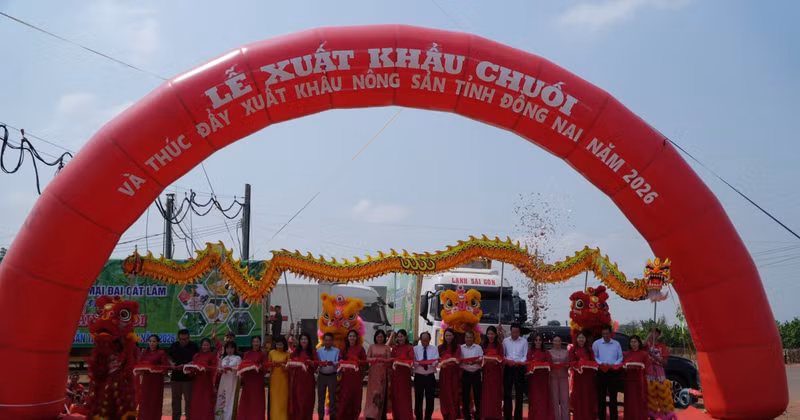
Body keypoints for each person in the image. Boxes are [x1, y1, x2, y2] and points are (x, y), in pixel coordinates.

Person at [168, 329, 199, 420]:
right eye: (181, 339)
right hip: (175, 378)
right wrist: (171, 364)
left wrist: (188, 365)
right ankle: (176, 418)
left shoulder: (194, 346)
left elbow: (197, 359)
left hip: (188, 379)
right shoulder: (174, 346)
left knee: (189, 401)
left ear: (189, 337)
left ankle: (189, 418)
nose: (184, 341)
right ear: (178, 338)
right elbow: (168, 357)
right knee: (175, 401)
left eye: (186, 339)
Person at [593, 325, 622, 420]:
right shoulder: (596, 343)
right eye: (603, 333)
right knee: (601, 398)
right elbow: (595, 357)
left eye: (607, 333)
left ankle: (614, 418)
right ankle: (602, 417)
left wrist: (613, 365)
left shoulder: (616, 344)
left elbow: (620, 357)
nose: (605, 335)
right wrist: (602, 363)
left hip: (613, 372)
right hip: (601, 372)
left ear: (611, 333)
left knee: (613, 397)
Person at [336, 329, 367, 420]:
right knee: (345, 398)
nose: (352, 338)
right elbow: (339, 362)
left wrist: (361, 373)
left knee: (356, 398)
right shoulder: (343, 349)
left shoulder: (360, 349)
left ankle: (354, 416)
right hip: (345, 378)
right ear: (347, 338)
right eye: (350, 336)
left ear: (357, 337)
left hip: (356, 378)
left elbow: (365, 363)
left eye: (353, 336)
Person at [139, 334, 169, 420]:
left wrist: (156, 369)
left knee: (154, 402)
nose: (152, 343)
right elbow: (140, 365)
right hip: (146, 381)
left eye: (154, 341)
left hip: (156, 382)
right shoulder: (144, 353)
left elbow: (165, 368)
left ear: (158, 343)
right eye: (150, 341)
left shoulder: (161, 353)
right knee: (144, 401)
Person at [645, 328, 674, 417]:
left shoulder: (662, 347)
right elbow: (641, 345)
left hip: (659, 371)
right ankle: (650, 414)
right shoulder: (647, 345)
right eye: (652, 333)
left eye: (656, 333)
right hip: (648, 371)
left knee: (662, 393)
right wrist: (649, 336)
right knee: (649, 393)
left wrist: (655, 356)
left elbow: (665, 362)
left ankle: (665, 414)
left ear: (659, 335)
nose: (653, 335)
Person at [289, 332, 318, 420]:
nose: (304, 341)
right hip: (297, 380)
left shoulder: (313, 352)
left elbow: (316, 365)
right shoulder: (295, 352)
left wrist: (311, 363)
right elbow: (290, 363)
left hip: (308, 380)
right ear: (299, 341)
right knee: (297, 401)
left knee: (307, 401)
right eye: (302, 339)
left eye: (305, 339)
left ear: (308, 341)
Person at [364, 329, 392, 420]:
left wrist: (383, 361)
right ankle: (370, 414)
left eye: (381, 336)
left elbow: (389, 360)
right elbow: (367, 358)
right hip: (373, 373)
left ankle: (380, 414)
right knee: (371, 394)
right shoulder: (371, 346)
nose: (379, 338)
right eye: (378, 336)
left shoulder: (387, 348)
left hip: (383, 373)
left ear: (384, 338)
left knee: (381, 393)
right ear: (375, 337)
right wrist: (376, 360)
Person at [237, 336, 266, 420]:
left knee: (257, 400)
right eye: (254, 341)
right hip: (248, 380)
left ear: (260, 343)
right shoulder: (247, 353)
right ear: (252, 343)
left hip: (257, 381)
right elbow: (243, 365)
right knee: (247, 400)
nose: (255, 343)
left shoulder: (263, 354)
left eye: (257, 342)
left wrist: (259, 366)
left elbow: (265, 367)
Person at [502, 323, 527, 420]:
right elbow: (503, 355)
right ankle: (507, 416)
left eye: (516, 332)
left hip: (519, 368)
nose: (515, 334)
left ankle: (518, 417)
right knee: (507, 393)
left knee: (519, 394)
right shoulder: (505, 341)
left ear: (519, 332)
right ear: (510, 331)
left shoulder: (524, 341)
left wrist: (519, 362)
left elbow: (525, 356)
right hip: (508, 368)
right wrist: (508, 362)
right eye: (513, 332)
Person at [570, 331, 597, 420]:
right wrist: (578, 364)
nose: (581, 339)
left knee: (588, 397)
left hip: (589, 377)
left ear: (586, 339)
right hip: (578, 377)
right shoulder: (572, 349)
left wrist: (586, 363)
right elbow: (571, 362)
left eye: (583, 338)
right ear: (576, 339)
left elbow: (594, 362)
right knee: (579, 397)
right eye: (579, 337)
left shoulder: (590, 350)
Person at [189, 338, 218, 420]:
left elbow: (214, 368)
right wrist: (190, 370)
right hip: (197, 382)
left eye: (207, 345)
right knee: (196, 402)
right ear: (201, 346)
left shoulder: (212, 355)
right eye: (204, 345)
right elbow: (193, 368)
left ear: (210, 346)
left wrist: (205, 368)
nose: (205, 347)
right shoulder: (196, 355)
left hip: (207, 383)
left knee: (206, 402)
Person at [389, 329, 414, 420]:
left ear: (405, 337)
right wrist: (392, 336)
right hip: (395, 376)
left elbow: (411, 360)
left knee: (404, 397)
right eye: (398, 337)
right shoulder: (394, 348)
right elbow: (391, 360)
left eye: (401, 336)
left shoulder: (409, 347)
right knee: (395, 397)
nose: (400, 338)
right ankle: (397, 416)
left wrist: (401, 361)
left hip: (405, 376)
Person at [526, 334, 553, 420]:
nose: (538, 342)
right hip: (534, 380)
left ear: (542, 341)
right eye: (536, 340)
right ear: (534, 341)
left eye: (539, 340)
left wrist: (540, 364)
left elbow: (549, 363)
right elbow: (528, 364)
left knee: (543, 399)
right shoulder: (530, 352)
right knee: (534, 399)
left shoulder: (546, 352)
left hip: (543, 380)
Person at [623, 335, 650, 420]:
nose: (633, 344)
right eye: (631, 342)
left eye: (635, 342)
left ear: (639, 343)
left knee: (640, 401)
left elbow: (648, 369)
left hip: (640, 382)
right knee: (630, 402)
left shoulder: (644, 354)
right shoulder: (626, 354)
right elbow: (622, 367)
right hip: (629, 382)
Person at [414, 331, 438, 420]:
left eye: (427, 341)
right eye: (423, 340)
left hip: (430, 376)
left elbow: (436, 360)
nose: (425, 343)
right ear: (420, 340)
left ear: (430, 340)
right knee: (418, 397)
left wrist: (433, 363)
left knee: (430, 398)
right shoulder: (415, 349)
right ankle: (418, 417)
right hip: (419, 376)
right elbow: (413, 362)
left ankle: (428, 416)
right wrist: (419, 363)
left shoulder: (434, 348)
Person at [481, 326, 504, 420]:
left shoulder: (499, 346)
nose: (490, 336)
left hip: (496, 373)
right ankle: (486, 414)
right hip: (486, 372)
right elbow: (480, 357)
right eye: (489, 334)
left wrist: (496, 360)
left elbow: (502, 358)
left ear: (495, 335)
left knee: (495, 393)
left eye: (492, 334)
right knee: (486, 394)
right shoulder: (483, 345)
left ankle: (496, 414)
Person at [438, 328, 462, 420]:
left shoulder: (458, 347)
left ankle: (453, 415)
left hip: (454, 374)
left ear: (453, 336)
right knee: (444, 395)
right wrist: (447, 361)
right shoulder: (440, 347)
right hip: (444, 374)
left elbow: (456, 360)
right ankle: (445, 414)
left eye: (450, 335)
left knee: (454, 395)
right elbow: (439, 361)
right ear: (444, 336)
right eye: (446, 335)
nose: (448, 337)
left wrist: (445, 361)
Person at [215, 341, 242, 420]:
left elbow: (240, 368)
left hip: (232, 381)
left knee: (231, 398)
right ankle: (220, 417)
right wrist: (221, 370)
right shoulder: (223, 358)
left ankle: (229, 417)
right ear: (225, 349)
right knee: (222, 398)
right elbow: (219, 369)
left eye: (231, 348)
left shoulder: (237, 358)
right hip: (223, 381)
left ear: (234, 349)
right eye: (228, 348)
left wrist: (232, 369)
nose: (229, 350)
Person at [460, 329, 483, 420]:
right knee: (465, 396)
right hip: (466, 373)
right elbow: (459, 360)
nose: (469, 339)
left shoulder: (478, 347)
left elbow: (481, 358)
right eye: (467, 337)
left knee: (478, 395)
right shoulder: (461, 348)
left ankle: (478, 414)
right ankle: (466, 415)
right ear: (464, 338)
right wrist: (466, 362)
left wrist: (476, 361)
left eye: (470, 337)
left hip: (476, 373)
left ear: (473, 338)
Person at [316, 332, 339, 420]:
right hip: (321, 376)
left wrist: (333, 363)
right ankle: (320, 417)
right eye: (326, 340)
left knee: (333, 399)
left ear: (332, 341)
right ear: (324, 341)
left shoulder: (337, 351)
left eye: (329, 340)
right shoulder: (319, 351)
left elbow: (338, 363)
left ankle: (332, 417)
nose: (328, 342)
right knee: (321, 399)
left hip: (332, 376)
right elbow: (316, 363)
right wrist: (320, 364)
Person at [268, 335, 290, 420]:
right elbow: (269, 367)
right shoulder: (271, 353)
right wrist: (273, 365)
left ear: (284, 344)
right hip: (274, 380)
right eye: (277, 344)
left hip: (284, 380)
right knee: (274, 401)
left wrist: (282, 365)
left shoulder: (287, 354)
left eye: (281, 344)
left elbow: (289, 368)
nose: (279, 346)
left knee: (283, 402)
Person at [548, 336, 569, 420]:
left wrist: (565, 365)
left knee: (565, 400)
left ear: (561, 342)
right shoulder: (549, 352)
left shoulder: (566, 352)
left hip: (563, 377)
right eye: (555, 341)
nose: (557, 343)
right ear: (552, 342)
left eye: (558, 341)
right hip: (553, 377)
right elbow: (548, 364)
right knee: (554, 400)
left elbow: (569, 364)